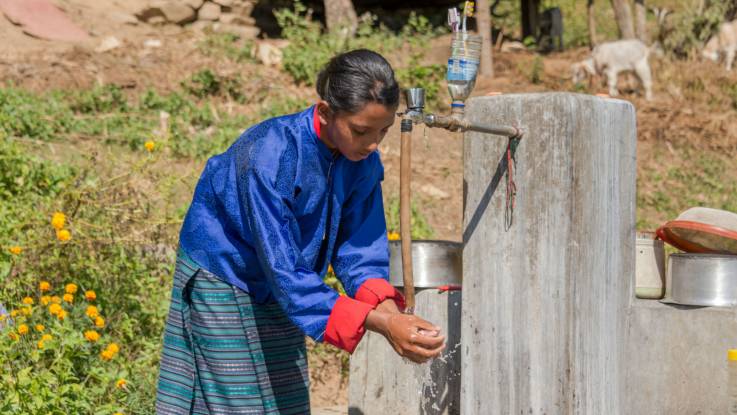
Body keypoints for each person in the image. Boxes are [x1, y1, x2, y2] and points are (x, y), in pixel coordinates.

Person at [155, 49, 445, 415]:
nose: (373, 144)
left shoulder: (362, 160)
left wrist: (392, 313)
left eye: (383, 131)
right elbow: (284, 271)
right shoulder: (268, 155)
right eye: (361, 131)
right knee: (238, 402)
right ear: (325, 112)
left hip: (289, 282)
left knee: (285, 400)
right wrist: (384, 324)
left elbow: (360, 248)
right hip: (227, 274)